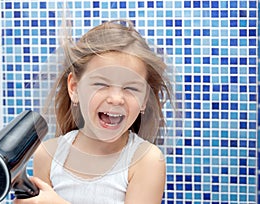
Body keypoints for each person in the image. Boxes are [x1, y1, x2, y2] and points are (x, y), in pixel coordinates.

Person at [14, 19, 173, 204]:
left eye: (131, 88)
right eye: (101, 84)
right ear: (74, 88)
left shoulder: (146, 161)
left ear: (145, 99)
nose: (116, 98)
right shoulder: (48, 155)